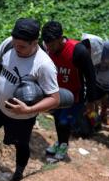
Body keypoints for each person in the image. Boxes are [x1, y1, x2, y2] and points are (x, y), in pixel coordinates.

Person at [0, 18, 60, 181]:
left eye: (22, 46)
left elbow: (55, 99)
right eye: (16, 44)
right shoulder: (10, 43)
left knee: (21, 145)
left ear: (35, 42)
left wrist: (29, 110)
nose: (17, 48)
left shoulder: (44, 65)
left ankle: (19, 172)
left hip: (22, 117)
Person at [41, 21, 99, 161]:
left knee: (64, 122)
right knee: (57, 119)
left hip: (75, 96)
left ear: (61, 38)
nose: (49, 47)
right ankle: (60, 142)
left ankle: (63, 146)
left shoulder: (78, 51)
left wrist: (91, 102)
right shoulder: (47, 47)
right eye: (47, 43)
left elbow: (91, 77)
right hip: (56, 94)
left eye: (52, 44)